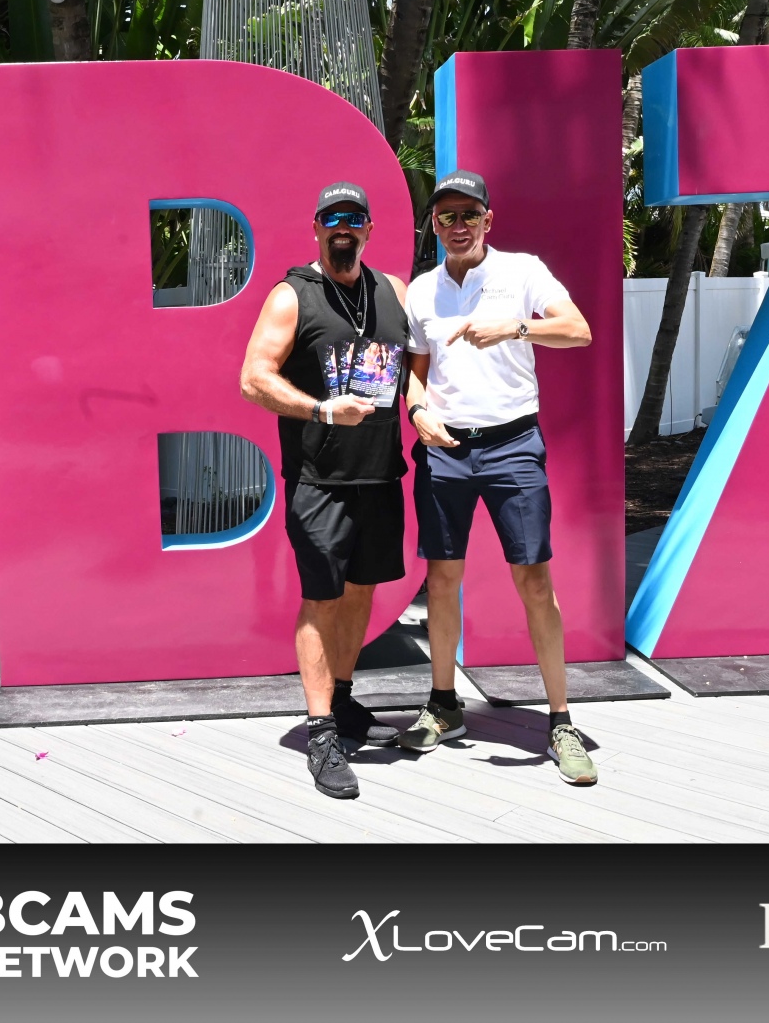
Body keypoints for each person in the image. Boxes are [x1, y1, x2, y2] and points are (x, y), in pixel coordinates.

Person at [398, 169, 600, 786]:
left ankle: (560, 721)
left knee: (534, 580)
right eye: (446, 216)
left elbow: (579, 330)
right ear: (435, 225)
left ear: (489, 219)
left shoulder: (523, 271)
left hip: (513, 444)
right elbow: (416, 370)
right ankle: (443, 704)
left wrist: (515, 326)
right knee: (441, 580)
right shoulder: (422, 291)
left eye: (469, 214)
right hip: (446, 451)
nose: (457, 225)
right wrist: (417, 412)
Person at [239, 181, 410, 800]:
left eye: (354, 219)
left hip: (380, 475)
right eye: (333, 218)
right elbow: (253, 378)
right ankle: (321, 735)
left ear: (369, 229)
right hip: (319, 482)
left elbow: (416, 367)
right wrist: (320, 409)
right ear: (316, 227)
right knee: (321, 599)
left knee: (361, 592)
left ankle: (341, 699)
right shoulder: (293, 295)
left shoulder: (393, 291)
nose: (344, 227)